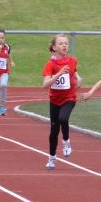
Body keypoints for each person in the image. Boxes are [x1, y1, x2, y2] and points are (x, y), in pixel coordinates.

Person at [41, 34, 81, 169]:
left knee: (63, 118)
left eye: (66, 43)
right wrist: (59, 73)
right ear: (54, 47)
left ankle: (66, 140)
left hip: (69, 98)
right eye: (61, 43)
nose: (64, 45)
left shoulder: (72, 61)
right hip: (54, 100)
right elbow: (45, 84)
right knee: (54, 131)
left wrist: (79, 79)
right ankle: (52, 158)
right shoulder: (50, 64)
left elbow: (75, 75)